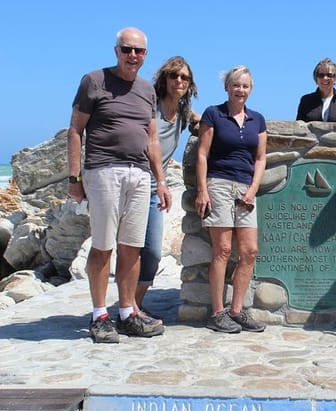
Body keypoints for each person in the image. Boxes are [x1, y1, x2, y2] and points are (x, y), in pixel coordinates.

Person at [67, 27, 170, 343]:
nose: (133, 56)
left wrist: (161, 181)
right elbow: (75, 130)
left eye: (139, 51)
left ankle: (127, 312)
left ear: (145, 55)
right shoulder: (94, 81)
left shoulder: (147, 90)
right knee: (103, 246)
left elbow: (152, 138)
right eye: (127, 49)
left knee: (132, 247)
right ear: (116, 51)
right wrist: (75, 178)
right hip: (103, 172)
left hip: (139, 175)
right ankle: (100, 315)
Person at [195, 65, 267, 334]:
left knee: (249, 251)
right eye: (236, 85)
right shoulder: (213, 114)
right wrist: (203, 190)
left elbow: (260, 158)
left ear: (251, 89)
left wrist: (253, 188)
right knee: (223, 250)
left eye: (245, 86)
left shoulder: (257, 120)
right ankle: (217, 312)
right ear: (227, 87)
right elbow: (202, 154)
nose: (240, 90)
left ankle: (237, 311)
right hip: (220, 184)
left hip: (246, 189)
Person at [134, 56, 201, 324]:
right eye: (174, 76)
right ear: (164, 79)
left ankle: (135, 303)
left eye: (184, 77)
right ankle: (128, 308)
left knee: (151, 251)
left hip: (153, 189)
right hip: (137, 182)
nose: (179, 81)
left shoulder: (183, 113)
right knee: (129, 248)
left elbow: (203, 122)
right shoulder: (151, 106)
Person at [296, 58, 336, 123]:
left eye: (329, 75)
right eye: (321, 75)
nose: (325, 78)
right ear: (316, 78)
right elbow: (299, 125)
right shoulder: (306, 100)